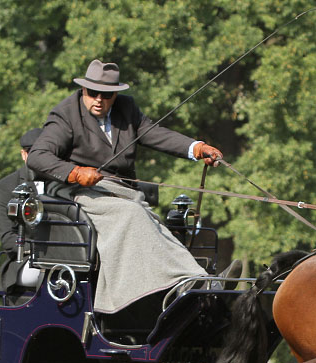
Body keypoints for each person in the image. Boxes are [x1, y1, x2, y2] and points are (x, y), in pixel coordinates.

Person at [27, 59, 238, 314]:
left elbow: (155, 134)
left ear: (116, 94)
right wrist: (74, 172)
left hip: (119, 192)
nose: (98, 100)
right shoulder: (66, 114)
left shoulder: (127, 110)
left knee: (155, 223)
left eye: (106, 95)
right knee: (132, 214)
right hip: (75, 192)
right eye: (92, 93)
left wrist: (195, 148)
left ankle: (198, 282)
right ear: (83, 90)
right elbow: (39, 156)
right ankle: (174, 285)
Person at [0, 127, 44, 253]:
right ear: (23, 155)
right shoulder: (5, 187)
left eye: (43, 153)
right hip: (26, 256)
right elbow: (8, 237)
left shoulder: (63, 182)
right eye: (33, 153)